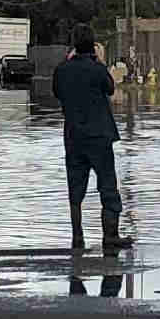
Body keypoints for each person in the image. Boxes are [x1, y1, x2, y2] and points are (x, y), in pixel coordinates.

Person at [53, 31, 124, 255]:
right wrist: (100, 62)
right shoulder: (97, 69)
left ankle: (77, 236)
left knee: (75, 187)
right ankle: (110, 236)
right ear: (93, 49)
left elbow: (57, 92)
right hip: (99, 137)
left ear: (74, 46)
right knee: (107, 186)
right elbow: (110, 88)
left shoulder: (62, 70)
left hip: (74, 137)